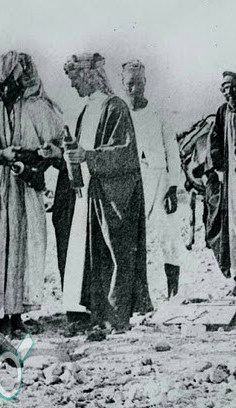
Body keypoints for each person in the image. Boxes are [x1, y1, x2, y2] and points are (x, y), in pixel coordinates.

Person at [0, 51, 64, 335]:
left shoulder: (36, 105)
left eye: (14, 83)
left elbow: (52, 149)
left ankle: (14, 315)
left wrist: (33, 162)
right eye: (4, 84)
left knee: (22, 245)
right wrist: (1, 155)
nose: (9, 89)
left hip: (23, 184)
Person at [52, 52, 152, 331]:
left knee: (113, 254)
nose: (73, 85)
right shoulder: (87, 111)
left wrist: (88, 156)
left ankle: (116, 318)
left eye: (75, 79)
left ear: (88, 76)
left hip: (111, 195)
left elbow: (125, 153)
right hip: (89, 195)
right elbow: (80, 152)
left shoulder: (115, 107)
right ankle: (95, 316)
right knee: (90, 256)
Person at [120, 59, 183, 298]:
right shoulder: (120, 114)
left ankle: (173, 291)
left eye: (138, 83)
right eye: (129, 83)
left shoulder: (159, 113)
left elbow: (172, 151)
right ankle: (137, 296)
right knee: (132, 240)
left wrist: (173, 187)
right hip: (131, 183)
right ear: (122, 84)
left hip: (159, 182)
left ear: (145, 82)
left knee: (168, 236)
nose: (134, 88)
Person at [206, 71, 236, 295]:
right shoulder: (223, 112)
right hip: (231, 181)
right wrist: (220, 167)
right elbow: (214, 142)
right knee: (232, 227)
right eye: (224, 88)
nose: (228, 92)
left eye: (232, 87)